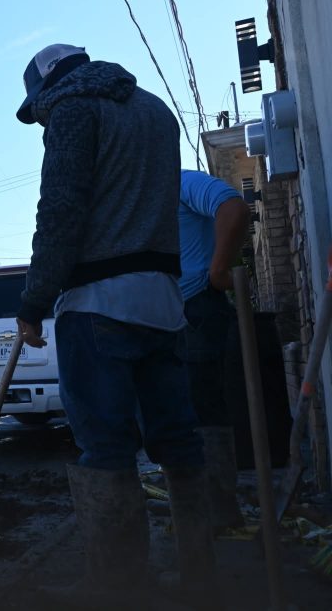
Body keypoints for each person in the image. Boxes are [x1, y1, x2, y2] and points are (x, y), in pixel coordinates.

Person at [14, 44, 217, 606]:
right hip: (163, 301)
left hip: (99, 304)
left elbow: (61, 211)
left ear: (48, 89)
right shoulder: (155, 110)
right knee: (177, 438)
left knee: (105, 448)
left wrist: (34, 301)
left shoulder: (75, 111)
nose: (43, 123)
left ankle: (119, 587)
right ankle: (201, 576)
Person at [179, 169, 250, 530]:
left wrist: (219, 269)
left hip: (198, 307)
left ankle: (219, 509)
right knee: (181, 409)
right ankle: (200, 505)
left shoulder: (182, 182)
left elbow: (233, 208)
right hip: (168, 315)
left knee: (202, 407)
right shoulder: (140, 194)